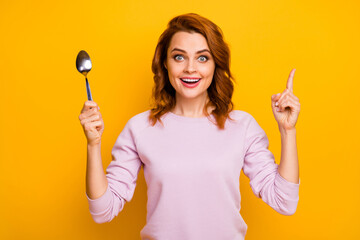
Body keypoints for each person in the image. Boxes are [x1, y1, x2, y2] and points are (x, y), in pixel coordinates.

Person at [79, 13, 300, 240]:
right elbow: (102, 211)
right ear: (165, 63)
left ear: (216, 64)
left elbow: (285, 201)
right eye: (179, 57)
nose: (190, 68)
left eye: (203, 58)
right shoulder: (140, 128)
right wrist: (93, 145)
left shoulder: (242, 126)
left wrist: (287, 131)